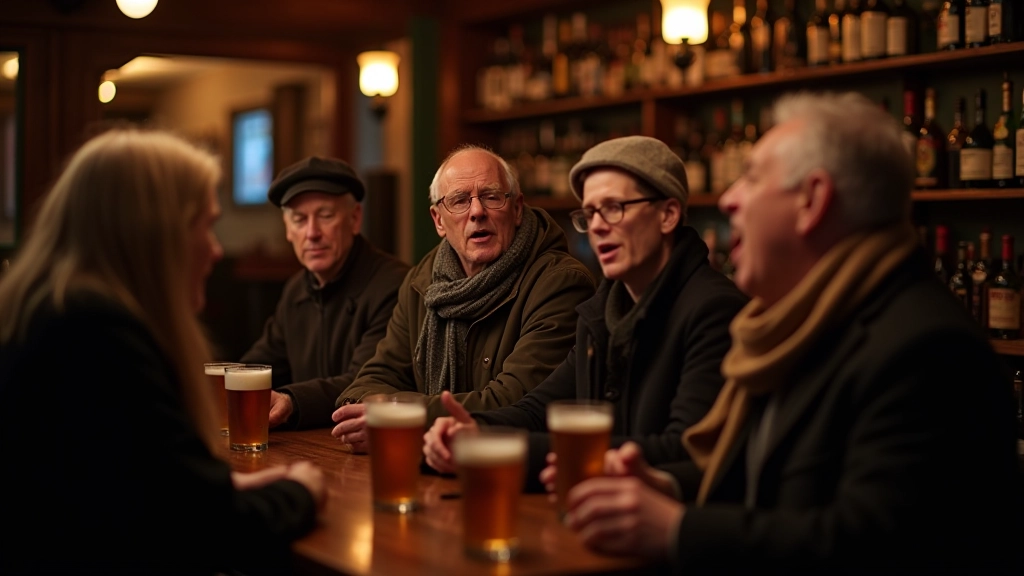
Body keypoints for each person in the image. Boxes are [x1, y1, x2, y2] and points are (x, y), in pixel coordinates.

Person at [559, 92, 1023, 574]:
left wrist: (677, 528)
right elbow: (768, 484)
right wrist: (667, 487)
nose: (728, 198)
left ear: (813, 200)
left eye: (754, 177)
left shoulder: (926, 350)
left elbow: (874, 546)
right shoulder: (802, 326)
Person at [0, 129, 326, 575]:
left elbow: (134, 487)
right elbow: (199, 529)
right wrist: (302, 493)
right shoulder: (96, 333)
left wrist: (214, 486)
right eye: (206, 227)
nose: (215, 251)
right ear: (153, 231)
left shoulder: (51, 313)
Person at [422, 136, 747, 487]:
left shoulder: (714, 309)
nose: (598, 227)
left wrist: (496, 447)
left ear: (667, 215)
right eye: (590, 214)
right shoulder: (603, 311)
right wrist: (474, 430)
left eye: (614, 208)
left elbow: (682, 450)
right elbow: (540, 408)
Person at [331, 145, 595, 453]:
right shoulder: (422, 283)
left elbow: (511, 402)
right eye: (459, 200)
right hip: (431, 465)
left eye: (492, 196)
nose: (477, 212)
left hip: (512, 471)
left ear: (518, 208)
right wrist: (381, 411)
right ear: (438, 221)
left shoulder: (560, 282)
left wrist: (394, 416)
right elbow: (371, 379)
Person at [240, 156, 409, 430]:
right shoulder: (296, 289)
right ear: (287, 230)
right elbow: (259, 366)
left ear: (355, 219)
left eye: (325, 215)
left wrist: (291, 401)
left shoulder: (395, 285)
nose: (312, 233)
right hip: (309, 447)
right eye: (299, 219)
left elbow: (366, 381)